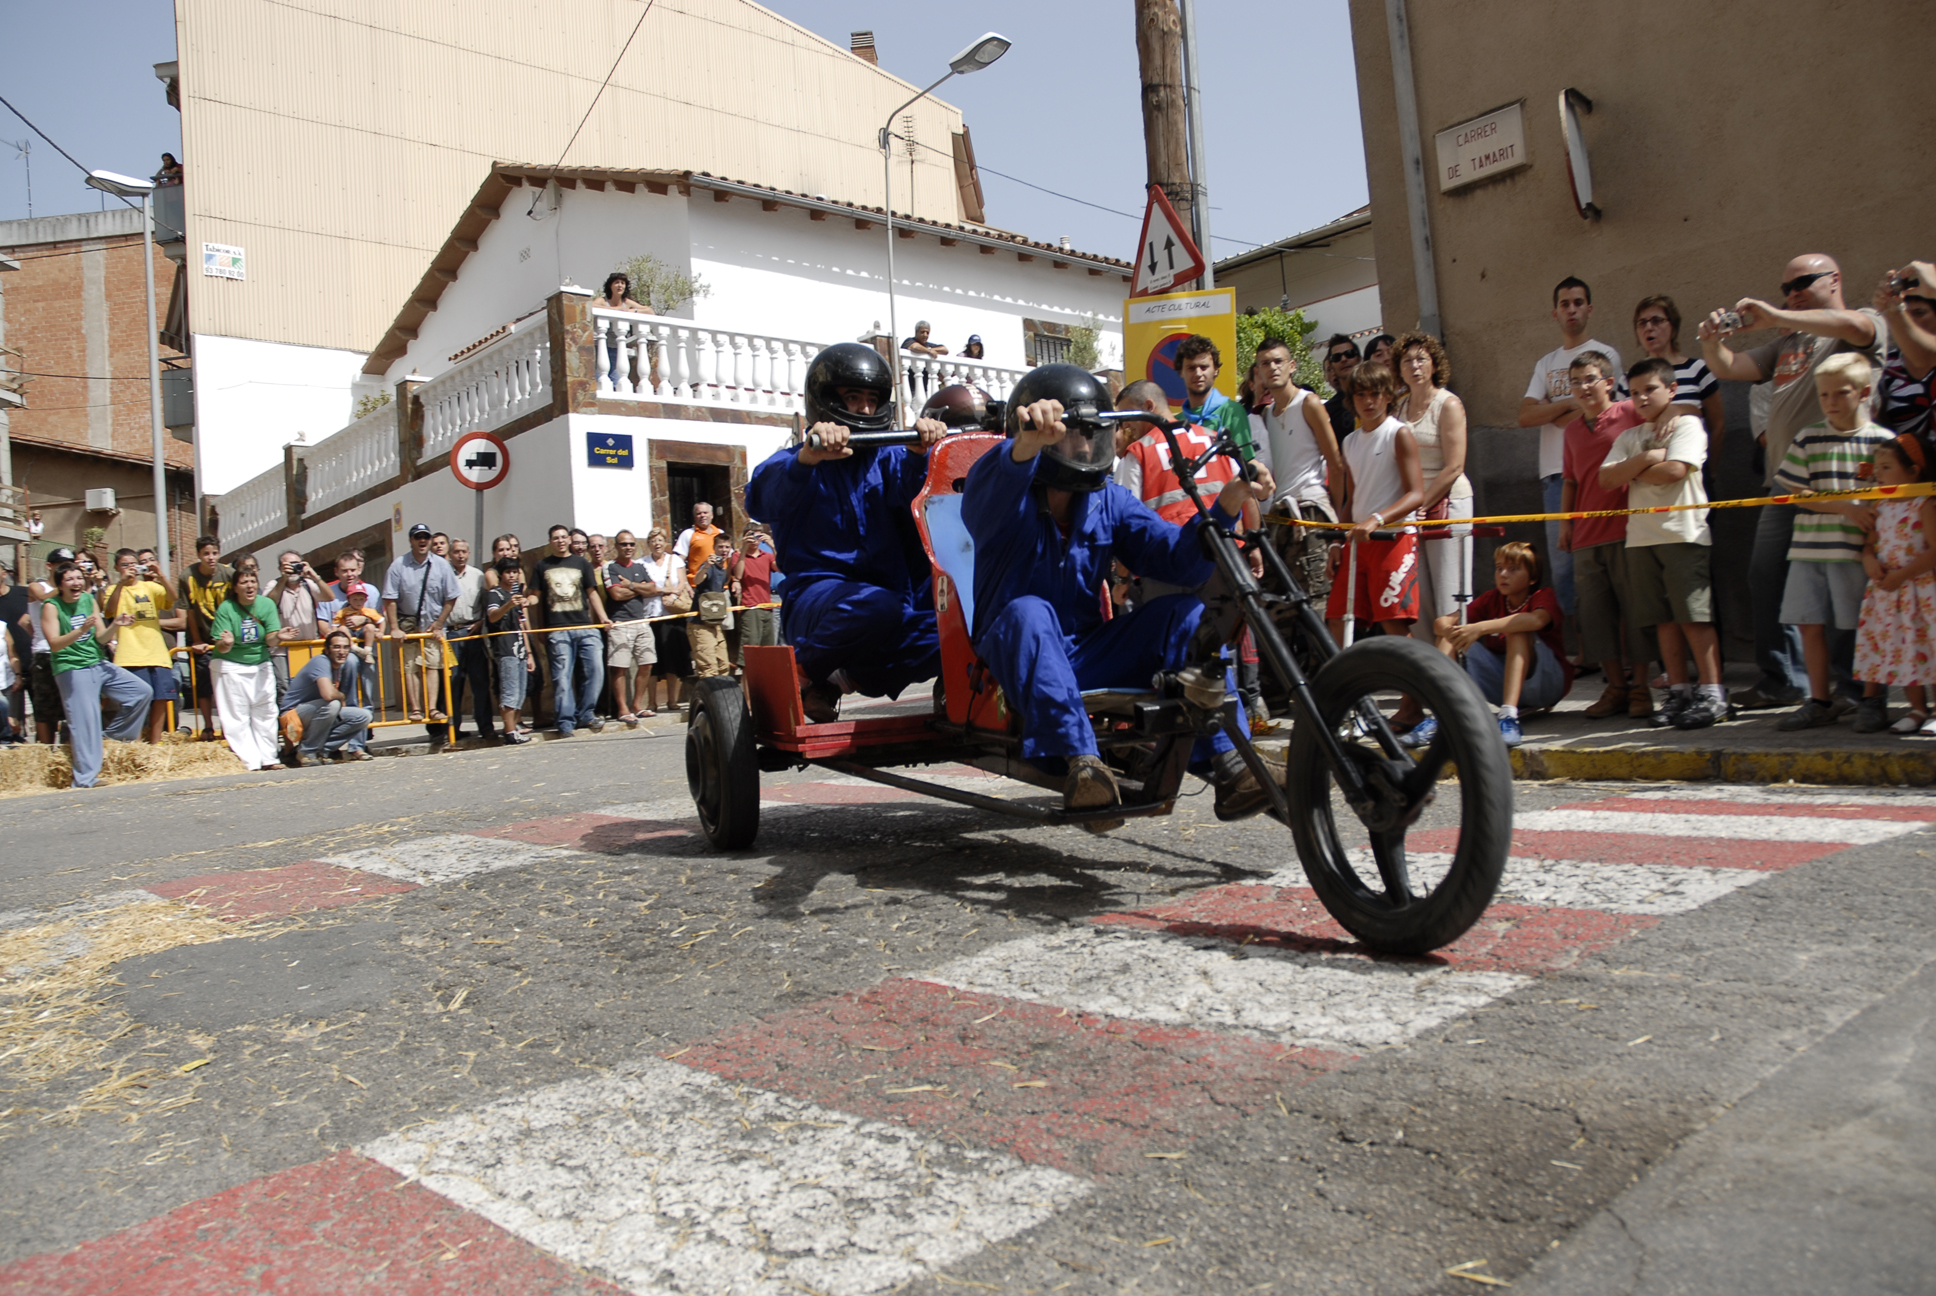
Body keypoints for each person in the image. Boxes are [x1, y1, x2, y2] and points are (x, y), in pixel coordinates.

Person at [961, 364, 1275, 828]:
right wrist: (1026, 444)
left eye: (1092, 434)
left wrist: (1229, 502)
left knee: (1185, 615)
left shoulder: (1107, 499)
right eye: (1072, 434)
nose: (1084, 446)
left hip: (1087, 652)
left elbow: (1178, 561)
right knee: (1029, 612)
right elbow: (988, 491)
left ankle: (1230, 763)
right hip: (1015, 657)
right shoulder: (1004, 491)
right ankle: (1083, 766)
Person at [1701, 252, 1887, 711]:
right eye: (1786, 288)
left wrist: (1776, 316)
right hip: (1787, 481)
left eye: (1802, 283)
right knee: (1766, 576)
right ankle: (1783, 681)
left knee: (1844, 586)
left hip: (1843, 481)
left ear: (1834, 279)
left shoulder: (1863, 320)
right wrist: (1711, 340)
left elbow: (1855, 327)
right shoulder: (1789, 341)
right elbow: (1730, 367)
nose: (1792, 293)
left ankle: (1852, 690)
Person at [745, 342, 947, 722]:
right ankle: (803, 674)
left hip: (889, 608)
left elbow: (920, 499)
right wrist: (807, 459)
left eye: (872, 400)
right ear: (824, 401)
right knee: (878, 605)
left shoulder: (892, 456)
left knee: (959, 632)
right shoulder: (793, 460)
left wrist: (921, 452)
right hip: (818, 605)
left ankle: (838, 678)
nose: (865, 409)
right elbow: (761, 501)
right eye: (853, 398)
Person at [1597, 358, 1726, 729]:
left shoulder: (1687, 425)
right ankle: (1679, 691)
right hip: (1641, 537)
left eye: (1650, 389)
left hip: (1682, 532)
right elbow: (1606, 479)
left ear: (1671, 390)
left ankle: (1713, 692)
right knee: (1663, 619)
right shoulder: (1629, 438)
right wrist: (1646, 457)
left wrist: (1632, 470)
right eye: (1635, 392)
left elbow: (1675, 470)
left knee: (1693, 615)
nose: (1641, 398)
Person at [1769, 354, 1895, 733]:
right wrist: (1844, 507)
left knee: (1865, 627)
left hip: (1856, 553)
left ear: (1864, 393)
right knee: (1809, 624)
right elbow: (1797, 492)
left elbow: (1889, 504)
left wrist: (1869, 544)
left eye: (1841, 393)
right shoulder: (1808, 437)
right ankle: (1820, 701)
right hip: (1808, 549)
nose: (1831, 402)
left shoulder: (1883, 442)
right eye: (1824, 394)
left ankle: (1872, 699)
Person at [1518, 278, 1626, 630]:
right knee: (1564, 566)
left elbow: (1609, 411)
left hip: (1602, 472)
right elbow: (1526, 415)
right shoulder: (1546, 363)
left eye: (1578, 302)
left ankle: (1618, 648)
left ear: (1589, 309)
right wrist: (1570, 405)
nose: (1572, 309)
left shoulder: (1607, 356)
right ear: (1555, 313)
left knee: (1611, 562)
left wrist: (1552, 408)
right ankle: (1581, 647)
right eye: (1564, 304)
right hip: (1555, 476)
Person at [1559, 351, 1651, 718]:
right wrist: (1565, 523)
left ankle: (1641, 687)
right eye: (1575, 382)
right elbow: (1570, 481)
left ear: (1609, 383)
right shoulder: (1570, 431)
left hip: (1629, 531)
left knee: (1637, 612)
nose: (1583, 387)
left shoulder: (1630, 412)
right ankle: (1615, 687)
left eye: (1590, 379)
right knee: (1595, 616)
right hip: (1586, 535)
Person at [1421, 541, 1572, 748]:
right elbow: (1440, 623)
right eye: (1499, 568)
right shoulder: (1491, 598)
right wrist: (1452, 632)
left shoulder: (1543, 595)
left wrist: (1479, 628)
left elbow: (1537, 620)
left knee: (1517, 630)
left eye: (1513, 569)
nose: (1503, 574)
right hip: (1501, 685)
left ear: (1533, 577)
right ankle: (1441, 715)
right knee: (1449, 637)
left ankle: (1509, 717)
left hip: (1547, 683)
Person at [1327, 362, 1425, 646]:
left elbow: (1416, 494)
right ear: (1351, 399)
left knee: (1392, 621)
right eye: (1360, 394)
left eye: (1375, 393)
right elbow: (1352, 498)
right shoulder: (1350, 442)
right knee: (1338, 617)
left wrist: (1377, 519)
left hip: (1394, 539)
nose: (1368, 401)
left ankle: (1417, 677)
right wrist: (1337, 542)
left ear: (1388, 396)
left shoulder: (1399, 433)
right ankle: (1349, 676)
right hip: (1358, 542)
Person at [1854, 431, 1936, 736]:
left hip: (1923, 592)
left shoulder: (1925, 505)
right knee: (1903, 649)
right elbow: (1869, 545)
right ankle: (1917, 709)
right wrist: (1869, 561)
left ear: (1913, 471)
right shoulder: (1881, 505)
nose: (1878, 473)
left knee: (1930, 646)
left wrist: (1902, 575)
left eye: (1886, 467)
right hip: (1890, 595)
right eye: (1877, 467)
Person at [41, 562, 152, 787]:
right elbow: (54, 644)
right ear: (60, 585)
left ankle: (110, 737)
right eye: (69, 579)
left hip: (97, 662)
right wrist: (80, 630)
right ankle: (85, 778)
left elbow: (101, 637)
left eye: (78, 578)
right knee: (85, 721)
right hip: (71, 667)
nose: (76, 583)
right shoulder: (51, 606)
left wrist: (116, 625)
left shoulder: (88, 599)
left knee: (141, 692)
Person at [1395, 333, 1473, 652]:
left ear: (1434, 364)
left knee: (1449, 600)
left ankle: (1452, 675)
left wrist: (1421, 505)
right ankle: (1432, 669)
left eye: (1421, 359)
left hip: (1449, 505)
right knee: (1420, 601)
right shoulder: (1398, 408)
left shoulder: (1449, 404)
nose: (1414, 366)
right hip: (1413, 513)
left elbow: (1454, 466)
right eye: (1407, 360)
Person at [534, 522, 610, 736]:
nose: (560, 541)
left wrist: (603, 618)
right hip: (557, 630)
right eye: (555, 538)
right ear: (550, 542)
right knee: (562, 677)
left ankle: (586, 714)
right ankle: (565, 722)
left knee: (596, 670)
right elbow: (536, 598)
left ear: (569, 539)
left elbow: (592, 593)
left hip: (586, 628)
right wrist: (530, 607)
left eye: (563, 537)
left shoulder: (582, 563)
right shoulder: (542, 566)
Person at [206, 568, 286, 770]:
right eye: (243, 582)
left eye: (252, 581)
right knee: (237, 716)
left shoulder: (266, 604)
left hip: (260, 663)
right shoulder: (226, 608)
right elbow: (220, 646)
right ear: (235, 587)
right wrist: (227, 643)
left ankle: (269, 759)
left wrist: (278, 637)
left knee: (266, 712)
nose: (249, 586)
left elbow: (270, 638)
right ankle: (250, 761)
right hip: (230, 666)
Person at [1633, 296, 1725, 471]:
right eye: (1642, 323)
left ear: (1673, 327)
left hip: (1691, 468)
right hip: (1646, 472)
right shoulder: (1630, 379)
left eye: (1657, 321)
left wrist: (1710, 472)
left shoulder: (1697, 369)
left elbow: (1717, 425)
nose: (1649, 327)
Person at [382, 522, 460, 728]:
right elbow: (389, 598)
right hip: (408, 626)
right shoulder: (398, 566)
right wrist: (394, 628)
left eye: (426, 537)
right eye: (418, 537)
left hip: (432, 627)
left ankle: (432, 708)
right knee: (410, 667)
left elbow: (451, 596)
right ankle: (416, 708)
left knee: (432, 665)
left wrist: (439, 623)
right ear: (411, 541)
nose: (422, 541)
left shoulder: (441, 565)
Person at [103, 548, 184, 744]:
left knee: (161, 698)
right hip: (130, 654)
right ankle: (136, 745)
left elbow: (172, 598)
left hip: (157, 653)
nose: (130, 568)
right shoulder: (112, 589)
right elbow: (109, 611)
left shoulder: (150, 587)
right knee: (138, 700)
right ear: (116, 567)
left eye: (133, 564)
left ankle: (155, 744)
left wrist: (160, 574)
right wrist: (121, 583)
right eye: (125, 565)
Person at [280, 629, 374, 764]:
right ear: (327, 649)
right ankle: (306, 752)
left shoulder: (338, 666)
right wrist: (341, 697)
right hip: (293, 715)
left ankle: (321, 750)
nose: (342, 651)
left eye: (345, 647)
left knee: (363, 716)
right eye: (336, 647)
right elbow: (328, 694)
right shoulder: (320, 661)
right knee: (333, 704)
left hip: (316, 712)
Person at [177, 536, 233, 739]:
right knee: (203, 684)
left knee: (226, 684)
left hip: (226, 637)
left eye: (214, 553)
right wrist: (196, 640)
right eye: (206, 553)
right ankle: (208, 726)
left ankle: (228, 726)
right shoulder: (187, 576)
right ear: (198, 555)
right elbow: (190, 611)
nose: (211, 557)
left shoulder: (228, 574)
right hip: (202, 636)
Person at [1873, 263, 1935, 440]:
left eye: (1919, 312)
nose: (1910, 320)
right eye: (1906, 312)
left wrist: (1933, 290)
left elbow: (1924, 356)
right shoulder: (1887, 365)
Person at [602, 529, 659, 724]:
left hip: (641, 621)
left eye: (631, 544)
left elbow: (653, 589)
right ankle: (623, 709)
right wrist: (640, 589)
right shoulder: (611, 567)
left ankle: (637, 705)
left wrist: (631, 585)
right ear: (616, 546)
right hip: (620, 622)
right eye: (624, 544)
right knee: (620, 667)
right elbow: (616, 594)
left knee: (647, 663)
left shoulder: (640, 567)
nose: (628, 547)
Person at [1173, 335, 1256, 461]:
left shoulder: (1232, 412)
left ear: (1215, 370)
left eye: (1204, 367)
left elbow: (1246, 464)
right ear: (1181, 372)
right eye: (1191, 368)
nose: (1198, 373)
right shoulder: (1176, 421)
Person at [444, 538, 495, 742]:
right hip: (451, 635)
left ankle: (486, 727)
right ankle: (453, 729)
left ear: (469, 553)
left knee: (480, 681)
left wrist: (481, 622)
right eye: (456, 551)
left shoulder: (478, 576)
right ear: (450, 554)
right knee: (453, 683)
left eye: (464, 551)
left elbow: (486, 604)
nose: (460, 555)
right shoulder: (443, 575)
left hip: (474, 633)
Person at [484, 556, 536, 744]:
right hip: (505, 648)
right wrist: (508, 605)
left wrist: (529, 653)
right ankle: (509, 731)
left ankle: (514, 728)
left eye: (515, 572)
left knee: (520, 691)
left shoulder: (516, 595)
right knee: (510, 691)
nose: (512, 576)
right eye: (508, 572)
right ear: (500, 574)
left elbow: (521, 625)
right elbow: (492, 616)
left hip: (520, 647)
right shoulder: (495, 594)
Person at [641, 528, 689, 714]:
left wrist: (673, 596)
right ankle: (652, 702)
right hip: (650, 616)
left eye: (660, 540)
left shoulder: (675, 560)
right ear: (648, 543)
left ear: (665, 542)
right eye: (653, 540)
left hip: (671, 615)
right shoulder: (641, 563)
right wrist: (663, 591)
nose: (657, 544)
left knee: (672, 660)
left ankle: (672, 700)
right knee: (652, 661)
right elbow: (644, 588)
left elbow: (682, 583)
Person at [269, 549, 325, 698]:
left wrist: (315, 576)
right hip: (282, 650)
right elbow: (269, 603)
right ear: (280, 568)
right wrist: (283, 579)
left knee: (311, 687)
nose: (292, 568)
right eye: (288, 565)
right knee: (284, 688)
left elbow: (329, 596)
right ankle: (287, 713)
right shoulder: (274, 584)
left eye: (295, 564)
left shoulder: (308, 584)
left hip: (308, 646)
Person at [729, 527, 779, 669]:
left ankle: (765, 682)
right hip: (750, 606)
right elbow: (738, 575)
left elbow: (780, 567)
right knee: (750, 652)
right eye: (751, 536)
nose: (754, 539)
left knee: (768, 651)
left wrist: (773, 546)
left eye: (757, 536)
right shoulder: (738, 555)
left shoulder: (767, 555)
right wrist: (744, 548)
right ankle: (747, 684)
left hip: (767, 606)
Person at [0, 560, 24, 742]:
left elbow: (12, 653)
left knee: (14, 725)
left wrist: (18, 676)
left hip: (8, 682)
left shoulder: (2, 627)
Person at [673, 503, 724, 587]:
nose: (702, 515)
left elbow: (729, 559)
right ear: (694, 517)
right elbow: (678, 561)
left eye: (705, 512)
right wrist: (684, 583)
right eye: (699, 513)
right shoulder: (688, 534)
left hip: (720, 585)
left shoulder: (720, 533)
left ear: (712, 515)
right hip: (697, 585)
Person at [1320, 334, 1361, 437]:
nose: (1343, 359)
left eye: (1349, 354)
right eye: (1336, 357)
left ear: (1360, 359)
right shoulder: (1327, 411)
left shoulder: (1378, 395)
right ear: (1331, 367)